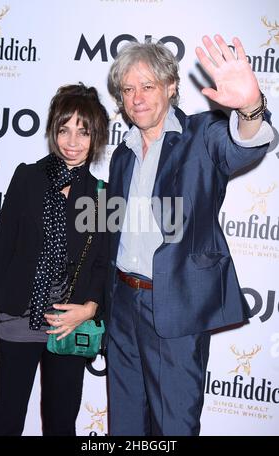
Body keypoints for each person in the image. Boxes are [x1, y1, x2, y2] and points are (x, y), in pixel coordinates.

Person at [106, 35, 274, 436]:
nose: (137, 98)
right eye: (128, 89)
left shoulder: (204, 133)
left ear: (170, 87)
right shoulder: (122, 154)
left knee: (173, 426)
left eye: (147, 86)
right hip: (122, 303)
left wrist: (251, 107)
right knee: (125, 424)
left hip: (176, 305)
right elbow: (111, 230)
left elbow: (243, 146)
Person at [0, 83, 109, 436]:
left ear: (96, 137)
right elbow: (1, 250)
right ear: (53, 130)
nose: (72, 141)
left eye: (83, 132)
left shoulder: (102, 195)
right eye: (64, 129)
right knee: (4, 422)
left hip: (67, 325)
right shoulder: (27, 177)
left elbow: (102, 264)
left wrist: (90, 308)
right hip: (17, 318)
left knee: (61, 424)